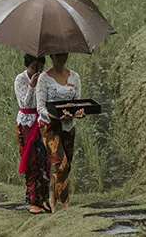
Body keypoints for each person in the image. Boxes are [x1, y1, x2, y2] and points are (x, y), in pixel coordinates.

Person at [35, 52, 85, 211]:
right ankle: (65, 206)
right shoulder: (44, 78)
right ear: (52, 56)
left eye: (65, 55)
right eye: (58, 55)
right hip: (50, 126)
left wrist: (79, 112)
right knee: (61, 164)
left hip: (68, 125)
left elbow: (77, 103)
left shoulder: (74, 77)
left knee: (66, 166)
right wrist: (52, 115)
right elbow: (40, 108)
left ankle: (52, 197)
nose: (62, 58)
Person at [15, 54, 49, 214]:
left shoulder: (44, 78)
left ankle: (44, 199)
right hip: (27, 124)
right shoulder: (20, 79)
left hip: (42, 122)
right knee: (32, 161)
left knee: (45, 160)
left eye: (41, 67)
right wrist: (32, 86)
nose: (38, 70)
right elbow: (25, 103)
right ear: (27, 65)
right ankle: (33, 200)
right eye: (34, 67)